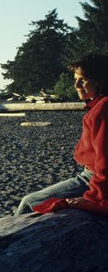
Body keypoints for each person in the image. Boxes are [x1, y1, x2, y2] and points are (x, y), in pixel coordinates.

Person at [15, 54, 108, 217]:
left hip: (93, 178)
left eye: (83, 79)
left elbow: (105, 162)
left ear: (99, 80)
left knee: (29, 202)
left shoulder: (102, 110)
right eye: (75, 79)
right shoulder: (98, 106)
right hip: (92, 174)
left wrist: (93, 197)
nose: (76, 85)